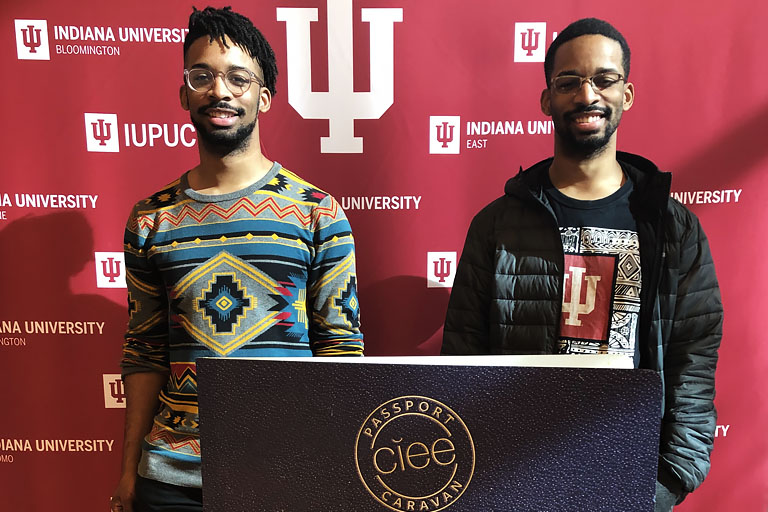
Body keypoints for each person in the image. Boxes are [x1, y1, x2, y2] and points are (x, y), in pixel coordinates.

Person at [442, 18, 722, 511]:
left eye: (604, 80)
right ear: (547, 100)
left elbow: (692, 366)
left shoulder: (673, 229)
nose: (586, 94)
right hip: (514, 479)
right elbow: (462, 362)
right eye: (568, 82)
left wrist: (665, 485)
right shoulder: (496, 224)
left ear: (627, 94)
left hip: (631, 481)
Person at [110, 7, 363, 511]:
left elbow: (341, 353)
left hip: (288, 471)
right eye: (201, 76)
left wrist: (335, 470)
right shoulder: (150, 219)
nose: (219, 91)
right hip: (172, 479)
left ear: (263, 97)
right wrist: (127, 469)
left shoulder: (316, 213)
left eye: (238, 78)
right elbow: (144, 353)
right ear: (184, 93)